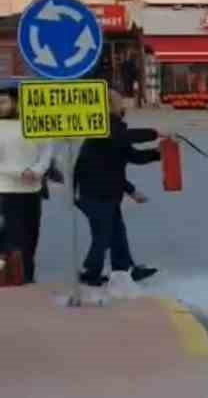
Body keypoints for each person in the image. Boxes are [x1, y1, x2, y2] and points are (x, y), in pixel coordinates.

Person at [74, 89, 161, 287]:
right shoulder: (102, 127)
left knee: (116, 232)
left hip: (105, 192)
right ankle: (90, 272)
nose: (124, 105)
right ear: (111, 106)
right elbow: (126, 138)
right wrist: (156, 133)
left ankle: (126, 269)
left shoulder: (114, 131)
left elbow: (131, 157)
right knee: (103, 234)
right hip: (93, 193)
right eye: (120, 102)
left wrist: (157, 153)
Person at [0, 86, 55, 284]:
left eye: (4, 101)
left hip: (32, 190)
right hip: (5, 190)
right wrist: (20, 172)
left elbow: (47, 148)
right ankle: (9, 278)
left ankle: (28, 277)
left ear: (16, 102)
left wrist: (38, 170)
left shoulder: (33, 122)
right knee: (10, 239)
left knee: (31, 237)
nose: (1, 106)